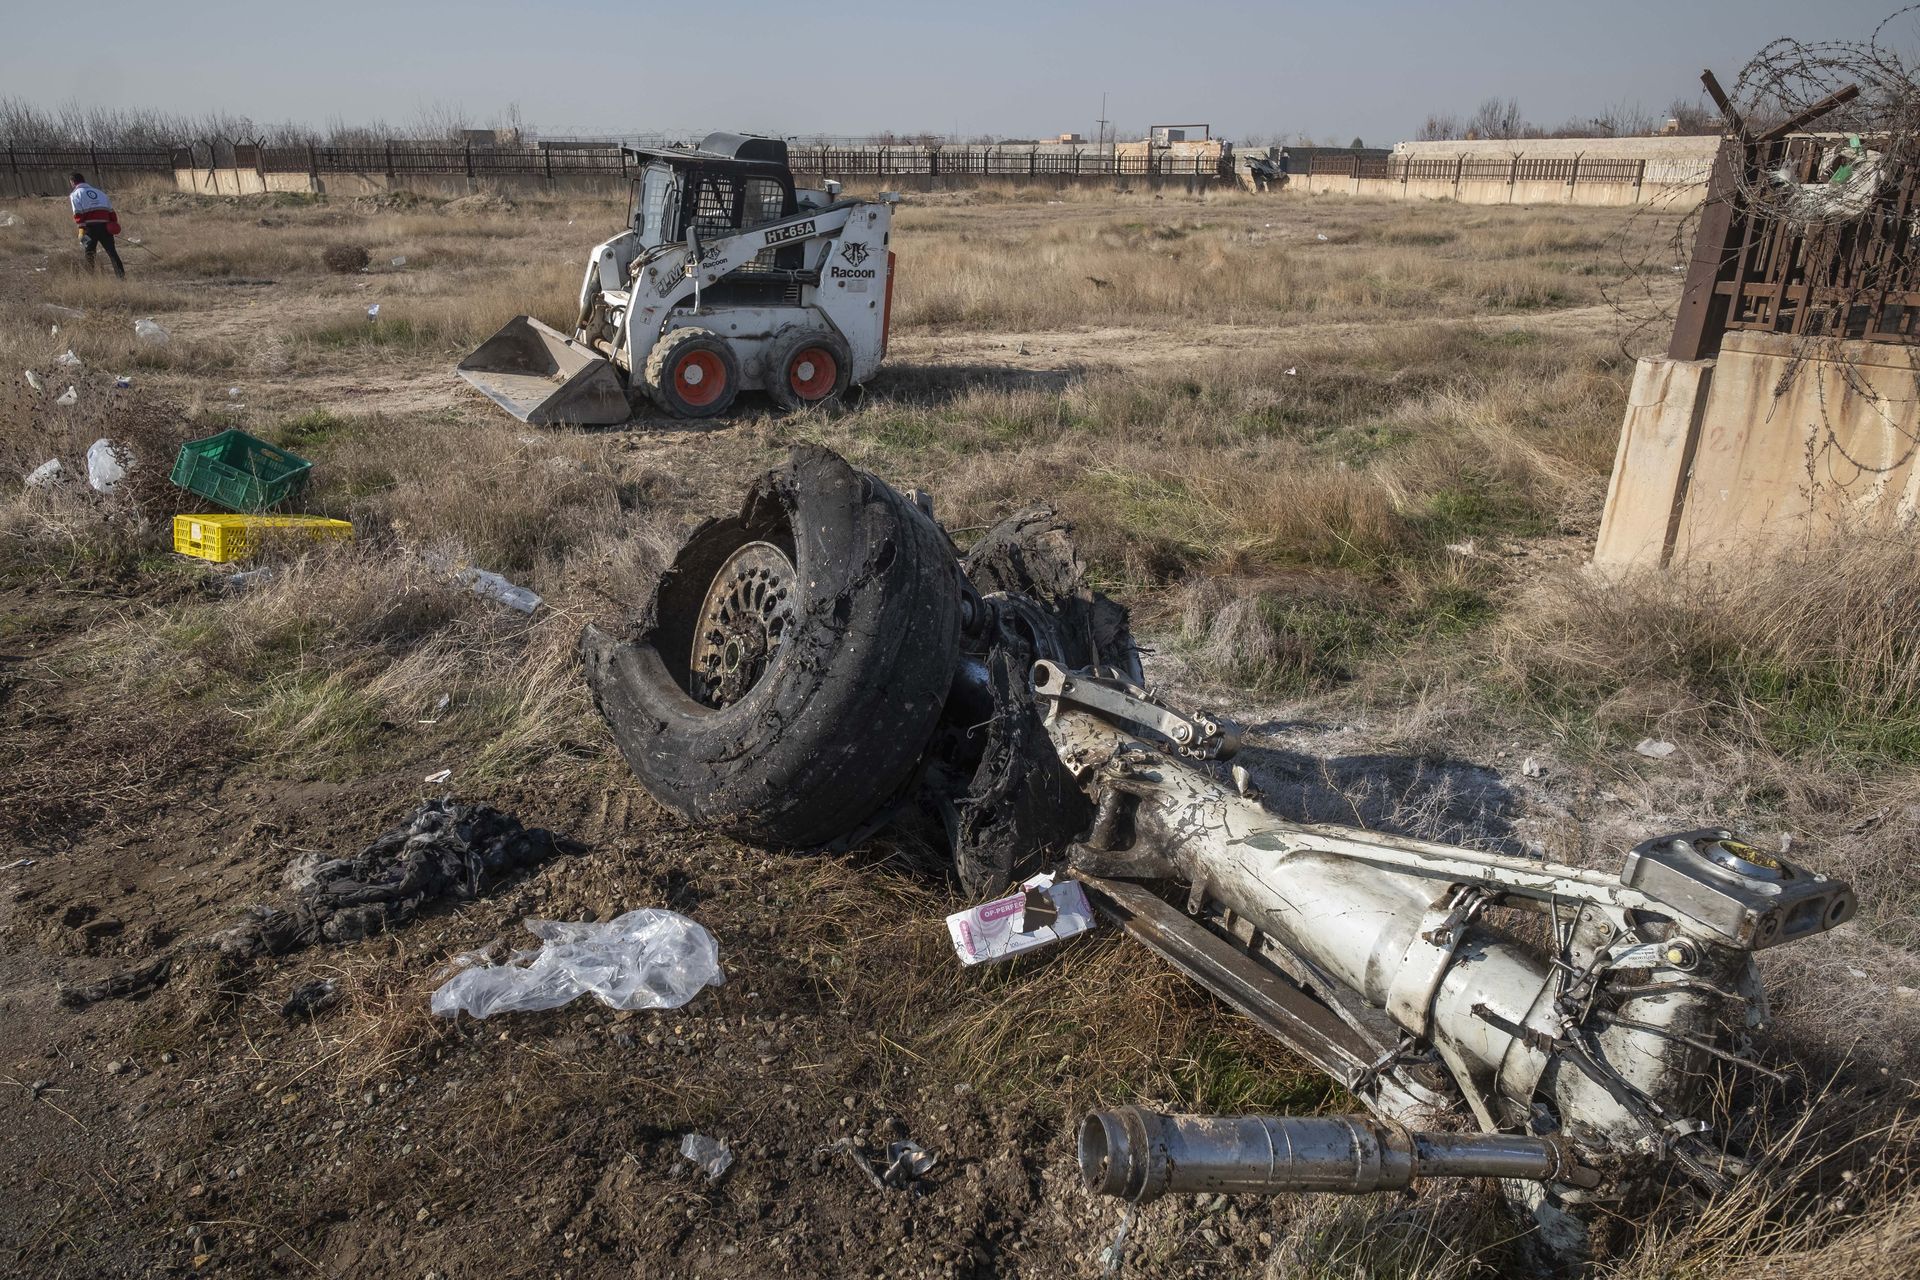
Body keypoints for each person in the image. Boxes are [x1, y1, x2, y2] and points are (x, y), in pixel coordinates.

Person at [69, 172, 125, 277]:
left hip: (89, 228)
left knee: (89, 253)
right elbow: (111, 212)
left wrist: (81, 229)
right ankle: (121, 276)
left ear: (72, 182)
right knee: (112, 252)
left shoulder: (75, 194)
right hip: (105, 226)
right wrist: (113, 223)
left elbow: (77, 213)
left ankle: (91, 277)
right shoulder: (100, 193)